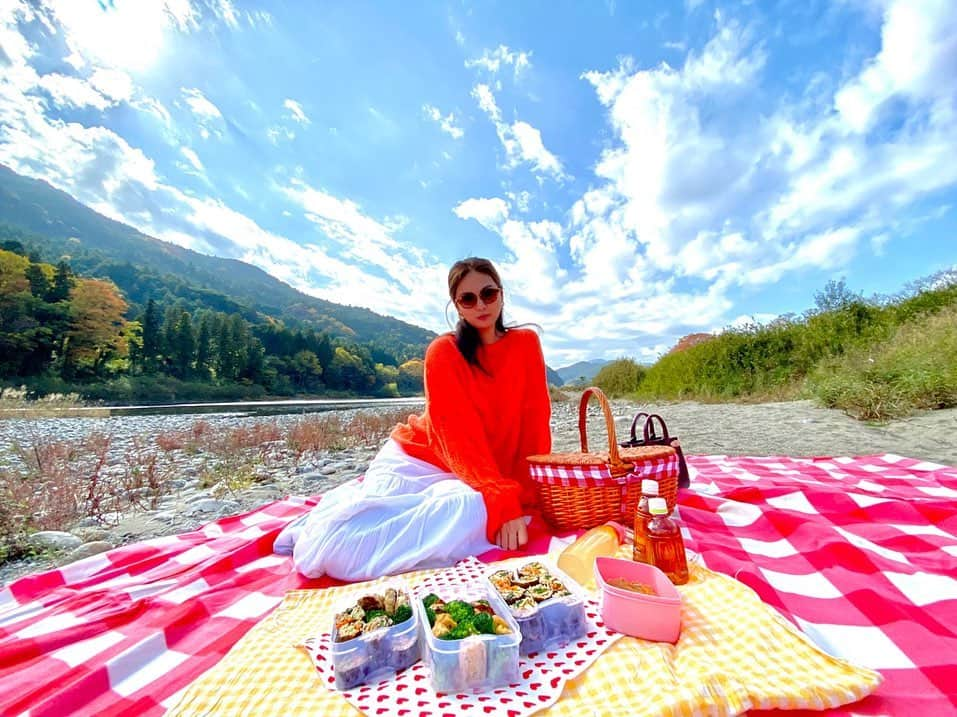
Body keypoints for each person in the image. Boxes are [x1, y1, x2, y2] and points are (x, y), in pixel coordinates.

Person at [274, 257, 552, 580]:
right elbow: (457, 439)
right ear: (457, 307)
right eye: (468, 298)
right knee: (341, 547)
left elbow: (536, 425)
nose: (480, 305)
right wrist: (502, 496)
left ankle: (345, 516)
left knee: (471, 511)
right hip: (420, 460)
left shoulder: (526, 344)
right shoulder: (444, 352)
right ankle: (320, 524)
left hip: (476, 474)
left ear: (502, 295)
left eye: (488, 293)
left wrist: (529, 496)